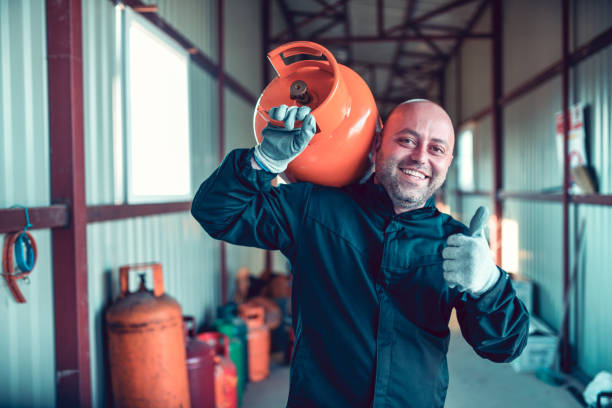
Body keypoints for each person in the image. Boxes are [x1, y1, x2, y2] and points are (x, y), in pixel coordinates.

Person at [191, 99, 529, 408]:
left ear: (447, 162)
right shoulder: (314, 208)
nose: (420, 156)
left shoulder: (458, 245)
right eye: (407, 140)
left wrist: (489, 285)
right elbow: (217, 214)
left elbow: (503, 346)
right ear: (377, 144)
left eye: (436, 149)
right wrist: (264, 160)